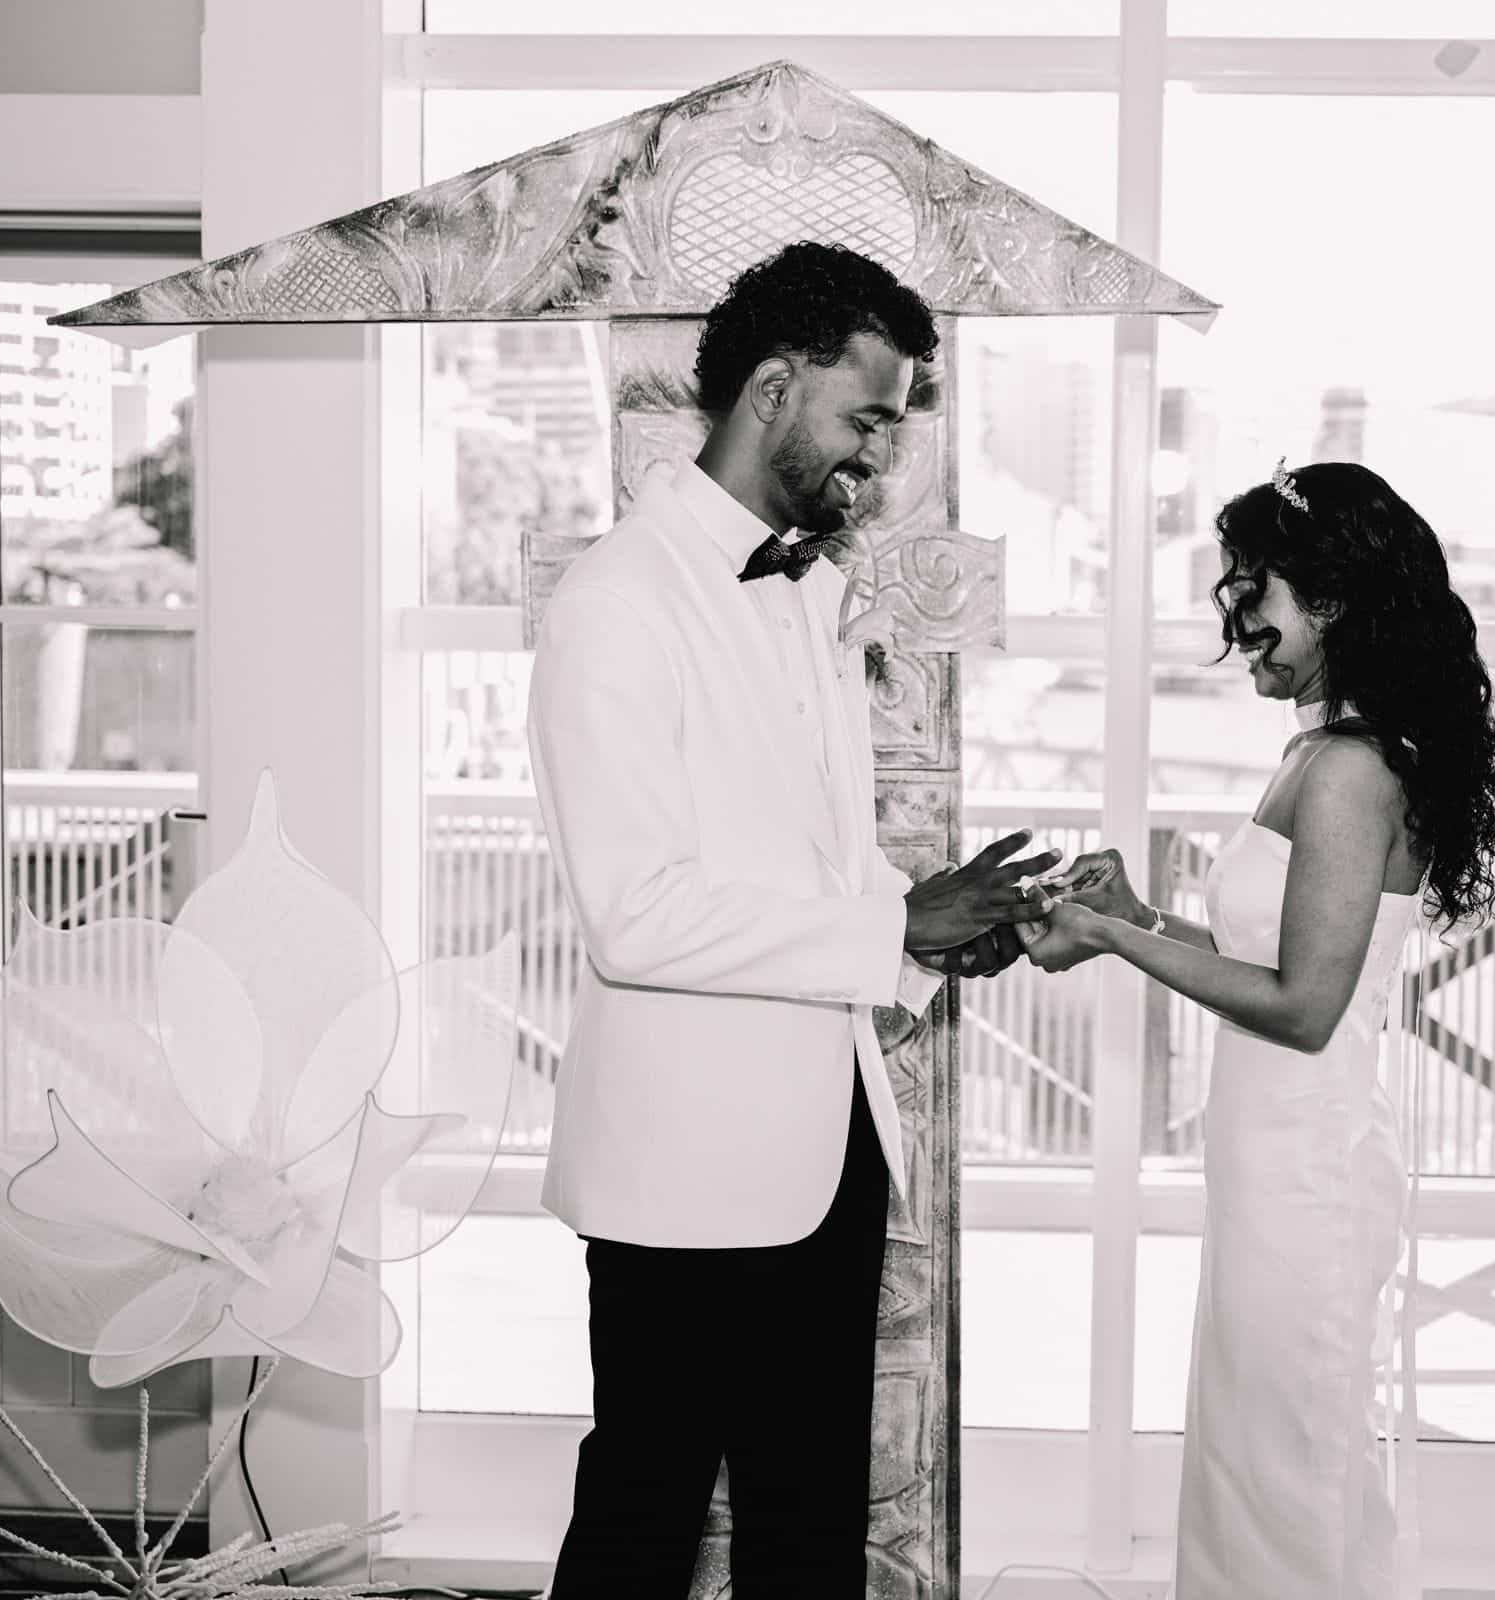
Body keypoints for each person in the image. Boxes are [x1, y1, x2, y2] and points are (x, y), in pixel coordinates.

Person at [527, 240, 1058, 1595]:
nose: (880, 454)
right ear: (774, 388)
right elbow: (635, 916)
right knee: (641, 1527)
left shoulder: (807, 591)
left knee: (808, 1530)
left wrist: (941, 921)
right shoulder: (618, 602)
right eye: (866, 415)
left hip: (827, 1146)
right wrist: (891, 932)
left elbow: (811, 868)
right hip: (679, 1176)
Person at [1023, 460, 1495, 1598]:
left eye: (1257, 590)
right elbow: (1275, 964)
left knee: (1290, 1480)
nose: (1240, 619)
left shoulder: (1348, 772)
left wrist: (1112, 939)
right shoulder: (1319, 753)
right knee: (1262, 1467)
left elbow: (1303, 1008)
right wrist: (1140, 911)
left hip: (1310, 1173)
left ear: (1332, 600)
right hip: (1271, 1164)